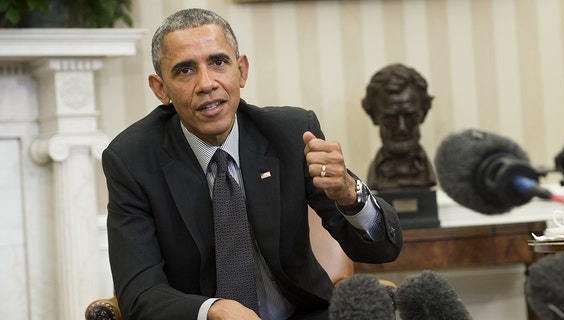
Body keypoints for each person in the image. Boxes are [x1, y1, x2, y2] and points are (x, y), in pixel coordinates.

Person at [102, 8, 403, 320]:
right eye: (185, 71)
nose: (207, 83)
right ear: (160, 88)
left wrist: (349, 194)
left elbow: (382, 250)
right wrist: (212, 310)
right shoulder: (131, 160)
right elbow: (139, 292)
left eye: (218, 62)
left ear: (241, 70)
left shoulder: (291, 134)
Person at [361, 63, 437, 192]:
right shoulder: (377, 174)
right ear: (374, 116)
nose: (402, 128)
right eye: (391, 118)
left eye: (410, 116)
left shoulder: (426, 171)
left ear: (423, 113)